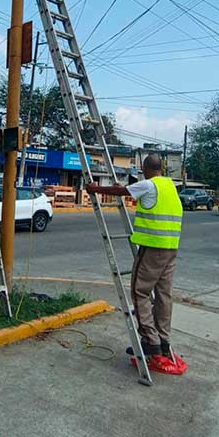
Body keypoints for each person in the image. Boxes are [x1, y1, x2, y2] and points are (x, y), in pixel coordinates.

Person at [85, 154, 185, 375]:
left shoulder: (149, 184)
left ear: (146, 169)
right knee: (164, 295)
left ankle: (151, 341)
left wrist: (94, 188)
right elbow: (127, 191)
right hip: (171, 248)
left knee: (140, 292)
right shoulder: (170, 186)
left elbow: (122, 192)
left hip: (152, 248)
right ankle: (163, 340)